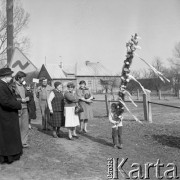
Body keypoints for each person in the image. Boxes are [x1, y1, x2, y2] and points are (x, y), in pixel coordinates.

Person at [0, 68, 22, 164]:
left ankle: (10, 155)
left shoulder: (4, 85)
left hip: (7, 115)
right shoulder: (1, 86)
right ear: (5, 76)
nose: (12, 77)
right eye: (10, 75)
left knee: (8, 137)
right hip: (5, 116)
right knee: (7, 137)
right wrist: (18, 105)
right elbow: (5, 102)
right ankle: (7, 157)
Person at [14, 71, 30, 148]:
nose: (23, 79)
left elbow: (28, 95)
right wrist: (21, 100)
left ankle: (24, 142)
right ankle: (17, 142)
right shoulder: (13, 86)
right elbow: (12, 98)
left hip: (25, 107)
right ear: (18, 78)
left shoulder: (24, 85)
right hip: (18, 108)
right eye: (22, 78)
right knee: (18, 126)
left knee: (25, 126)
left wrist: (28, 91)